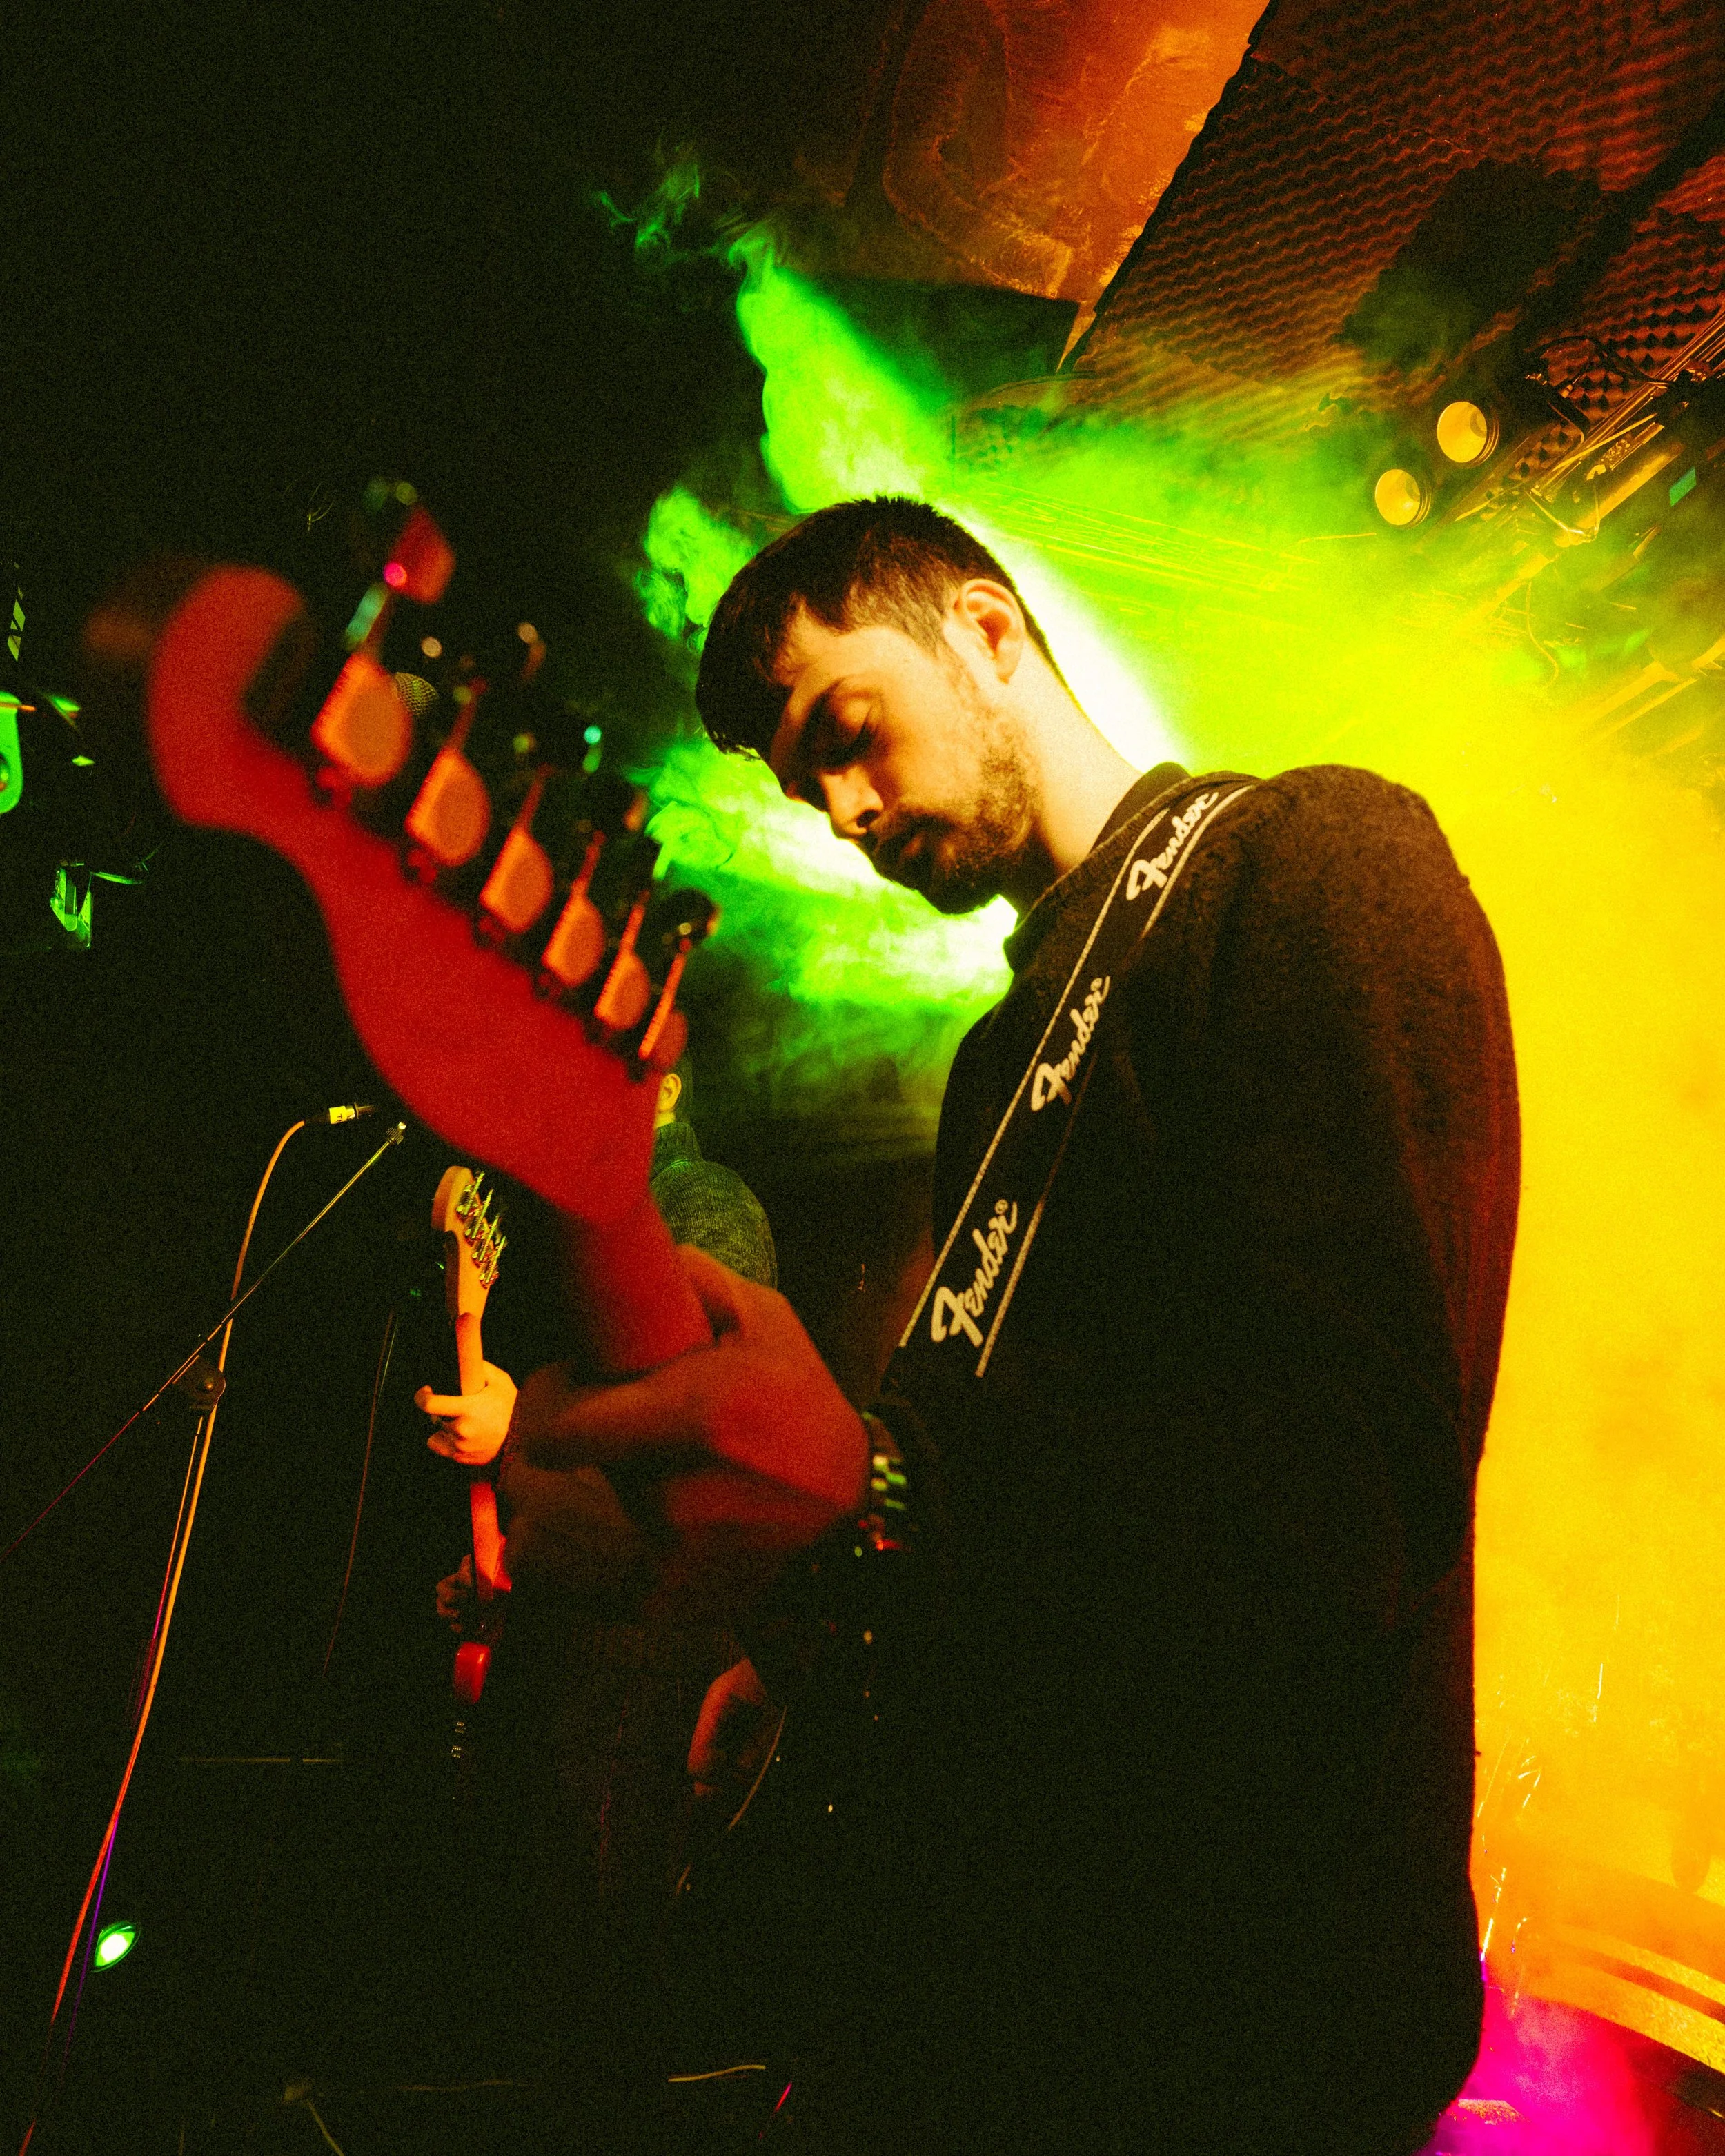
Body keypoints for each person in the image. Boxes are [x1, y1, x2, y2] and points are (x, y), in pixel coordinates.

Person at [504, 497, 1521, 2156]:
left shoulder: (1308, 856)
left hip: (1239, 2015)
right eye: (802, 785)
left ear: (985, 633)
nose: (840, 810)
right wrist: (826, 1646)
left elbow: (1336, 1494)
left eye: (848, 731)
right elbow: (1023, 1509)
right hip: (1012, 1991)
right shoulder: (995, 1062)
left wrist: (875, 1491)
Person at [416, 1054, 778, 2142]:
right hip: (574, 1640)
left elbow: (704, 1424)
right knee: (543, 1963)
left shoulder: (700, 1201)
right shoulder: (585, 1228)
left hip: (647, 1651)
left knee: (597, 1970)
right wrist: (501, 1552)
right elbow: (586, 1463)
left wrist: (517, 1425)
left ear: (664, 1086)